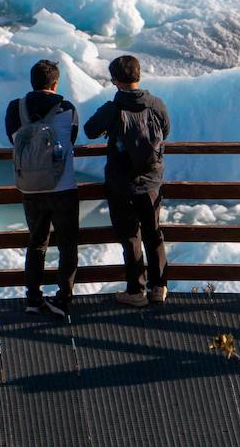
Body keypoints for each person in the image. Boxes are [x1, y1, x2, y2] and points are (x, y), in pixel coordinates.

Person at [85, 55, 171, 307]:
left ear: (115, 81)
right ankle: (159, 288)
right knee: (154, 234)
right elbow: (165, 130)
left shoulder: (112, 108)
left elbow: (90, 130)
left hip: (121, 183)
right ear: (139, 75)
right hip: (151, 181)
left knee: (131, 236)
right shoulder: (156, 104)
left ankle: (136, 292)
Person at [5, 59, 80, 319]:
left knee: (37, 243)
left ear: (32, 82)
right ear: (55, 83)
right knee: (67, 245)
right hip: (63, 187)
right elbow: (71, 140)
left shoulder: (16, 108)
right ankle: (63, 299)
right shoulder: (67, 108)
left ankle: (33, 299)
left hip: (31, 188)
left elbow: (13, 140)